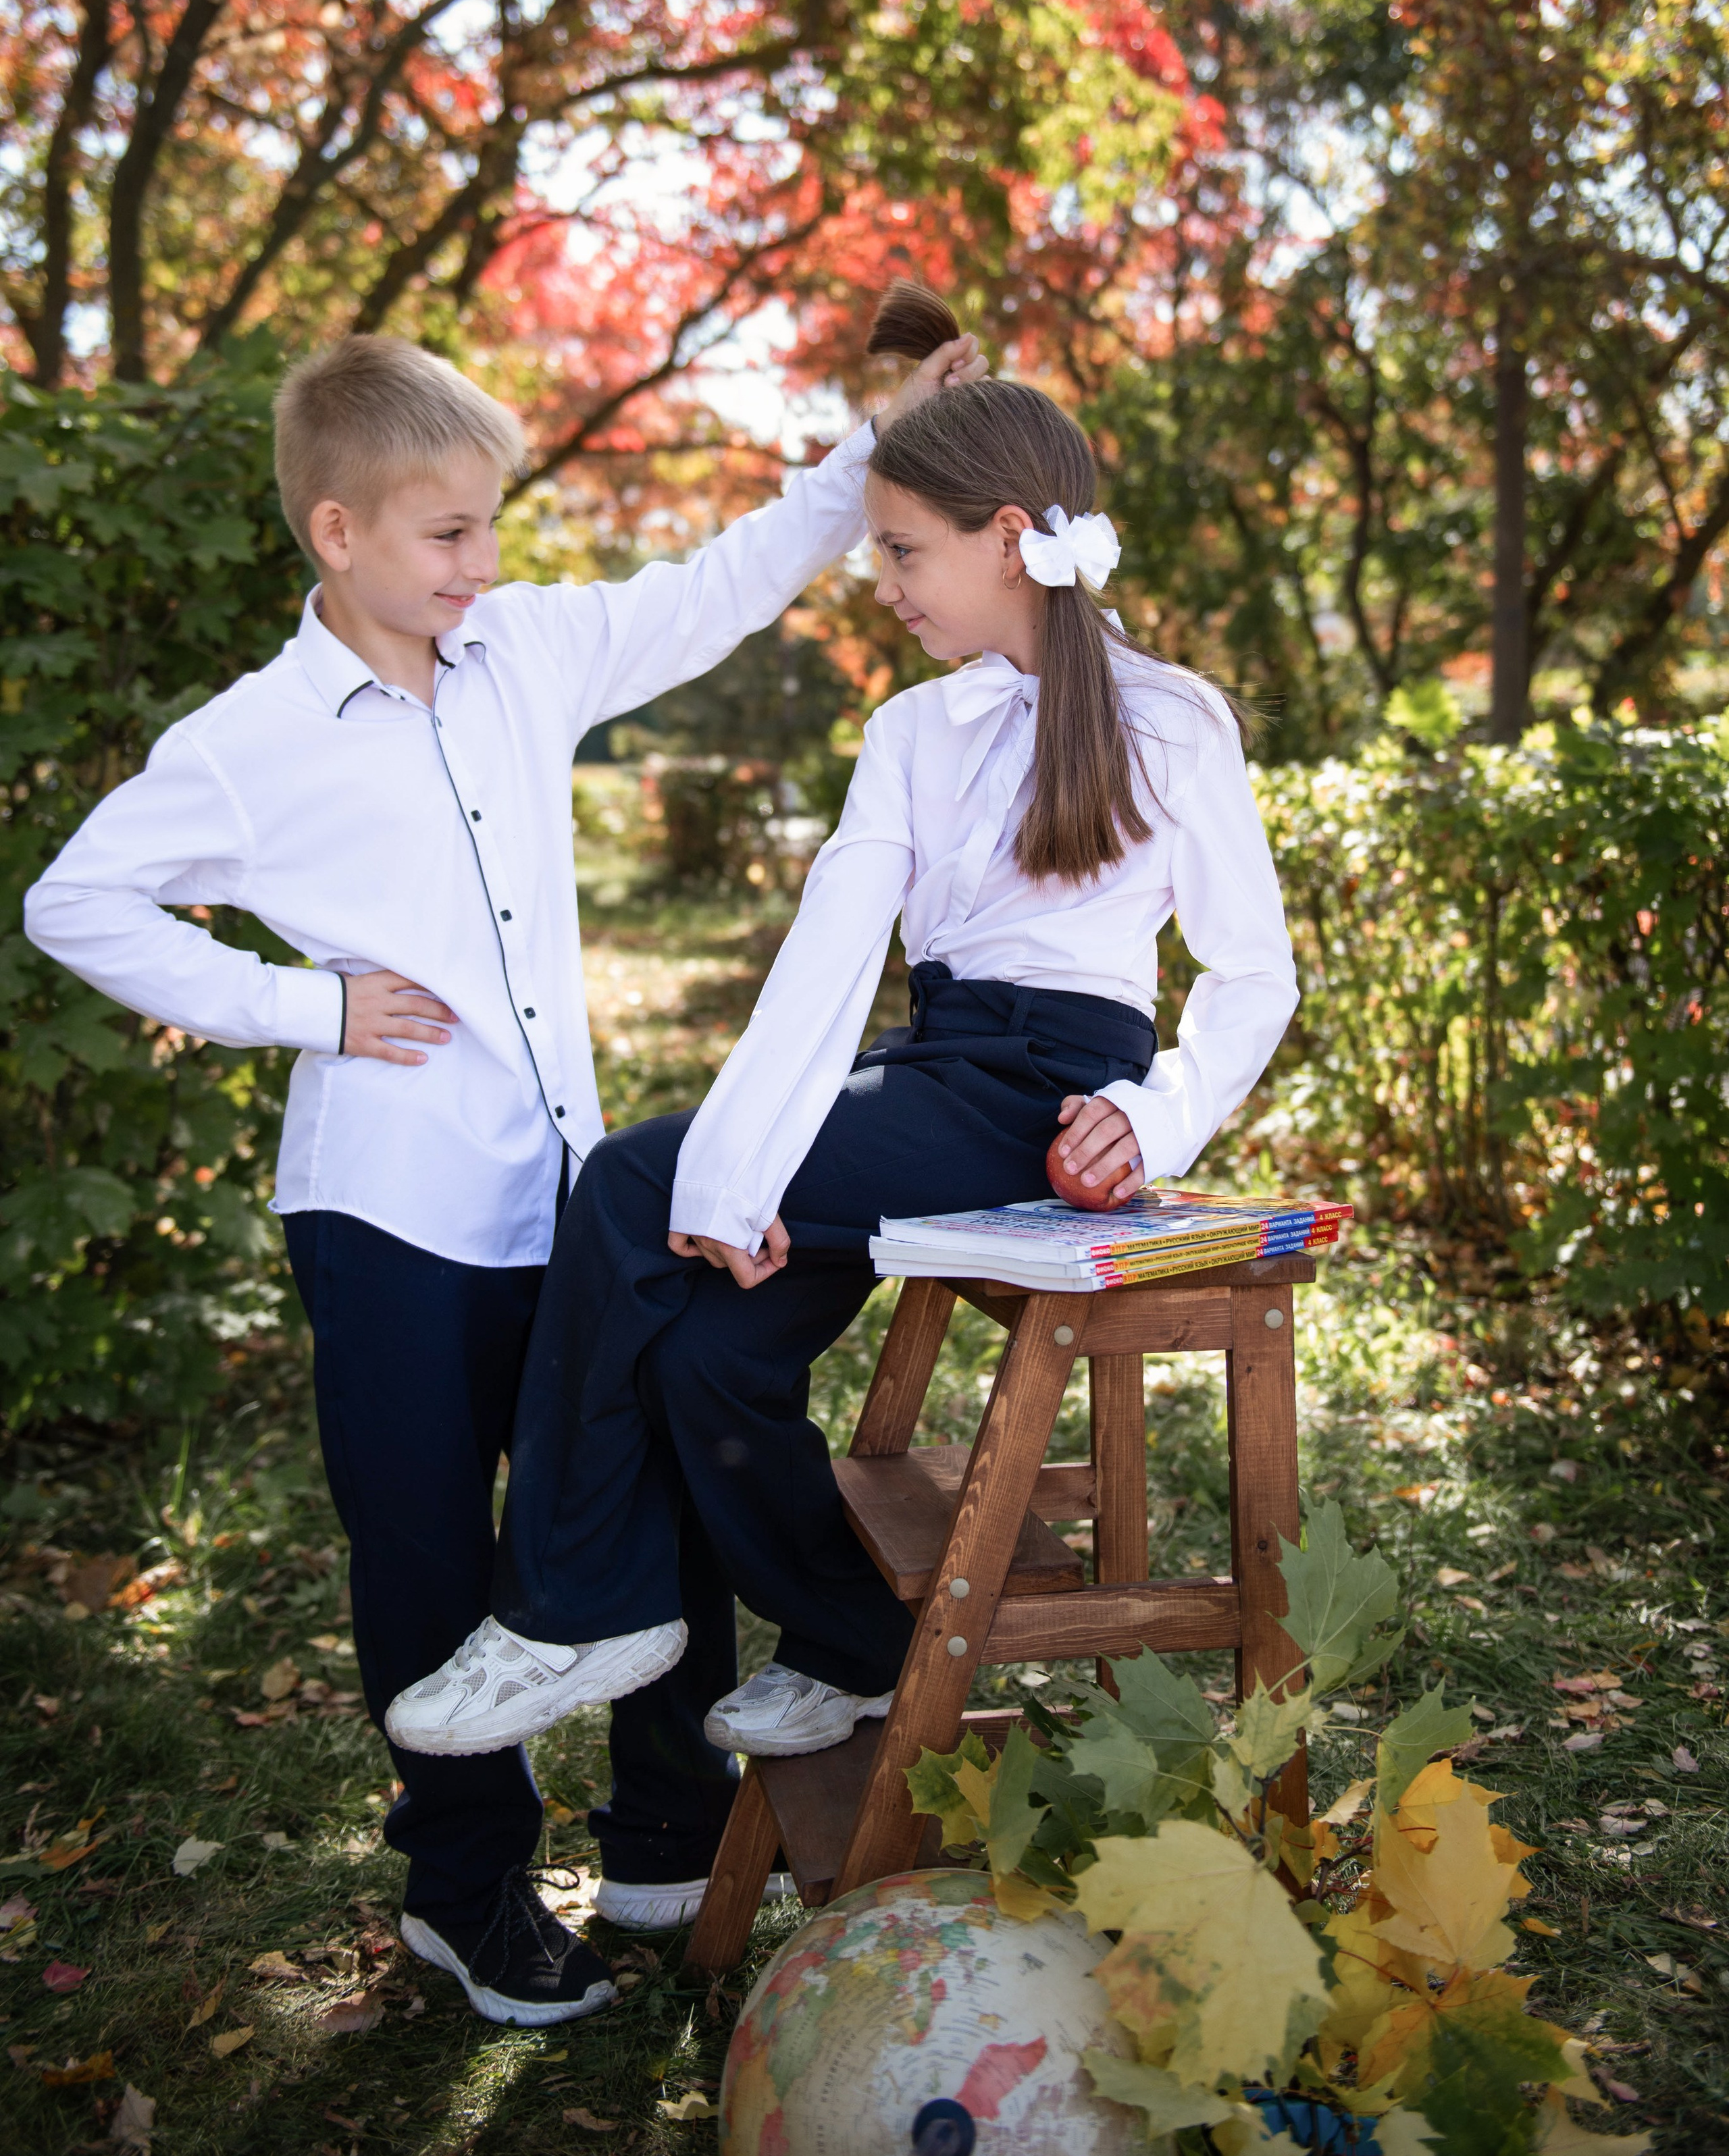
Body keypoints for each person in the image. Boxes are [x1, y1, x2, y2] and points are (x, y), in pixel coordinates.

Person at [21, 321, 981, 2018]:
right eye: (448, 531)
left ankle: (665, 1837)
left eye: (490, 526)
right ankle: (463, 1891)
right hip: (386, 1210)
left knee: (646, 1479)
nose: (482, 562)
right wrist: (306, 1004)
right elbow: (72, 900)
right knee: (425, 1555)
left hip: (563, 1198)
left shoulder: (523, 649)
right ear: (338, 531)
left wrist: (871, 448)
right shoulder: (252, 738)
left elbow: (722, 581)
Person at [386, 282, 1299, 1767]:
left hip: (1051, 1090)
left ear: (1009, 537)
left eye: (902, 551)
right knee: (705, 1355)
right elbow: (827, 958)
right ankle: (856, 1637)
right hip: (929, 1069)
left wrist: (1156, 1117)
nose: (881, 585)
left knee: (622, 1181)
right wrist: (745, 1161)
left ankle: (566, 1605)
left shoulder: (1172, 717)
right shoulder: (910, 730)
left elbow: (1253, 974)